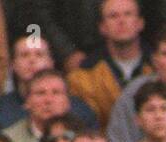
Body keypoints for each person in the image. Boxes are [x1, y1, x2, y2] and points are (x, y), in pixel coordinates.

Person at [65, 0, 153, 129]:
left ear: (140, 23)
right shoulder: (82, 77)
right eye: (113, 16)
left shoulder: (159, 68)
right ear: (102, 27)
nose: (121, 21)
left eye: (128, 14)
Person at [2, 68, 84, 142]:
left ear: (67, 102)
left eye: (56, 92)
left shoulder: (83, 137)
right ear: (27, 101)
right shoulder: (8, 140)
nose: (48, 100)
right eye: (40, 93)